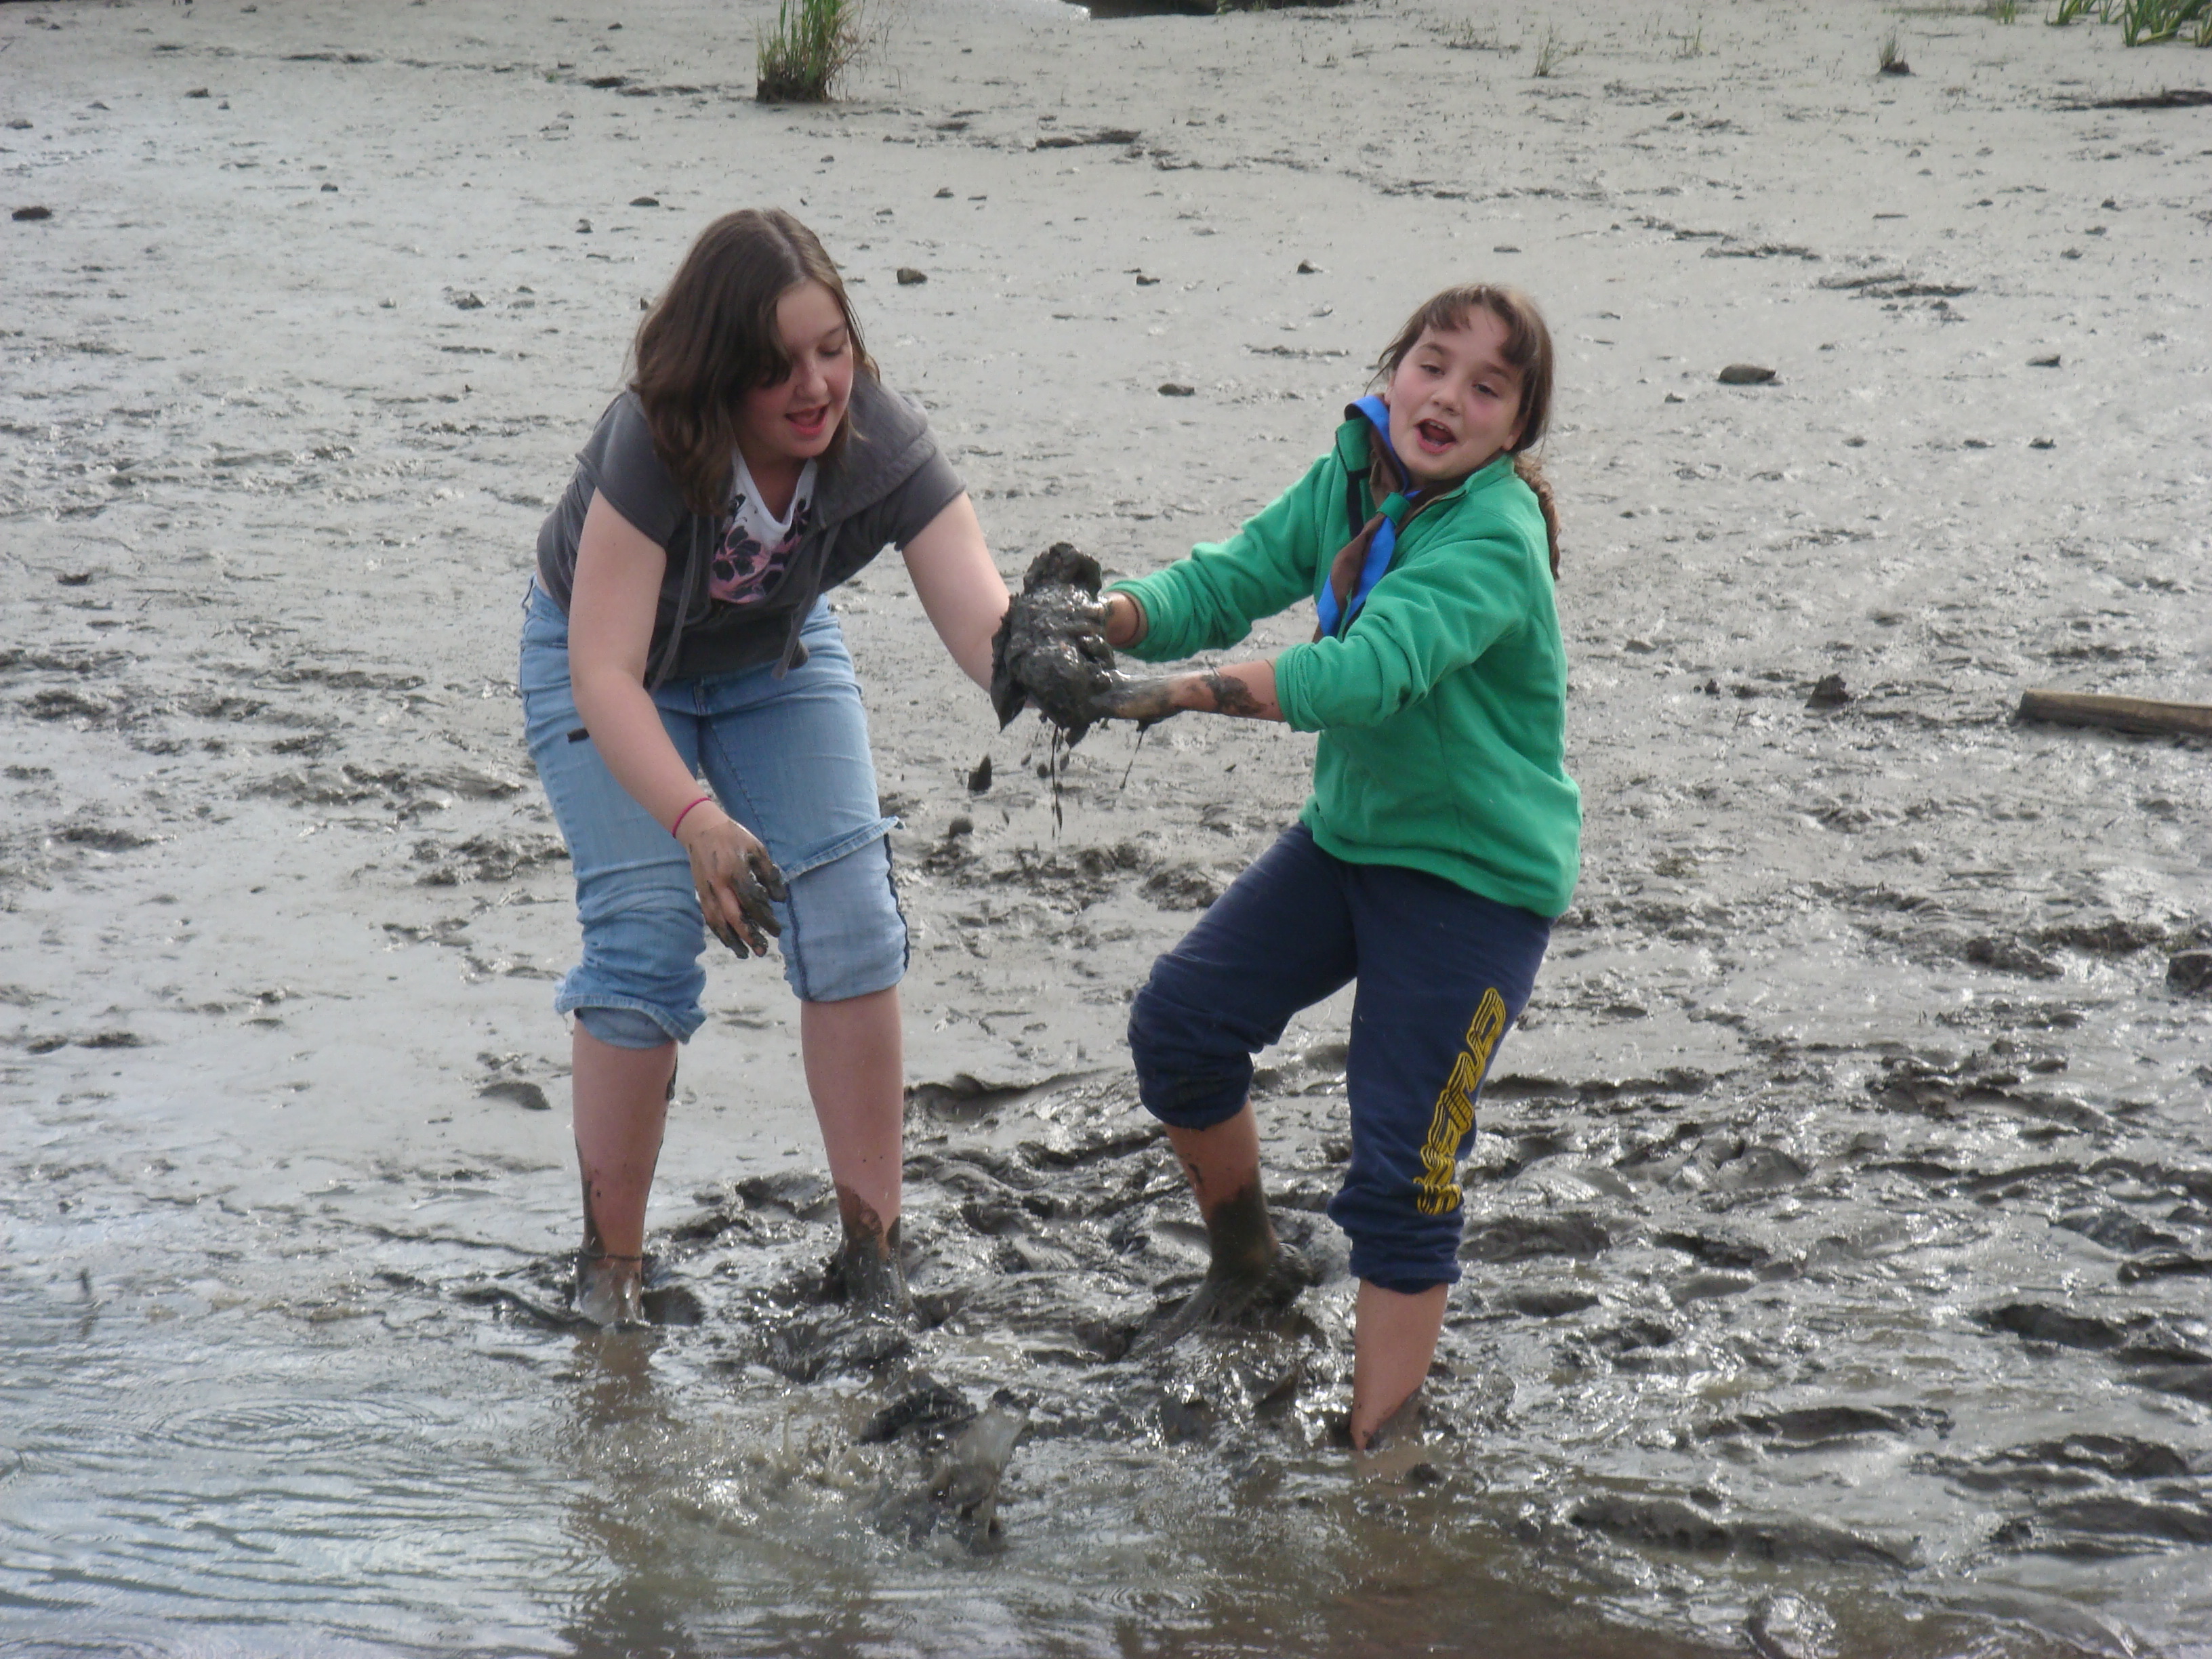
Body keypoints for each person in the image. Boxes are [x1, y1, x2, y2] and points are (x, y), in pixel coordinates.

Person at [1085, 283, 1580, 1450]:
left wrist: (1178, 694)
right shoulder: (1353, 475)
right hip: (1351, 842)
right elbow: (1227, 579)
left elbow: (1363, 676)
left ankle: (1381, 1455)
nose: (1447, 397)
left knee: (1404, 1171)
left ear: (1518, 426)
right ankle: (1249, 1265)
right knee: (1181, 1028)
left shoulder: (1496, 537)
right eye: (1432, 364)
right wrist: (1101, 622)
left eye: (1487, 387)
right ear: (1393, 369)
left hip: (1475, 886)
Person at [520, 208, 1015, 1326]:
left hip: (772, 657)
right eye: (777, 365)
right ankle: (609, 1279)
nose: (815, 386)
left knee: (852, 919)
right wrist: (695, 818)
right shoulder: (654, 439)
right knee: (645, 937)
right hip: (606, 659)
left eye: (833, 350)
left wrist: (1064, 666)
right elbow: (604, 673)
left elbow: (988, 629)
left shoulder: (879, 438)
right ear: (716, 371)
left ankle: (873, 1257)